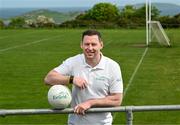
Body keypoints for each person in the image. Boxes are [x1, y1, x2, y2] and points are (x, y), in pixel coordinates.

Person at [44, 29, 123, 125]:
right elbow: (48, 78)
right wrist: (71, 79)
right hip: (75, 123)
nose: (90, 48)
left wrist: (90, 103)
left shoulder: (112, 66)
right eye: (86, 44)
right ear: (81, 45)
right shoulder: (73, 61)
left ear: (101, 45)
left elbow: (117, 99)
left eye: (93, 44)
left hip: (102, 123)